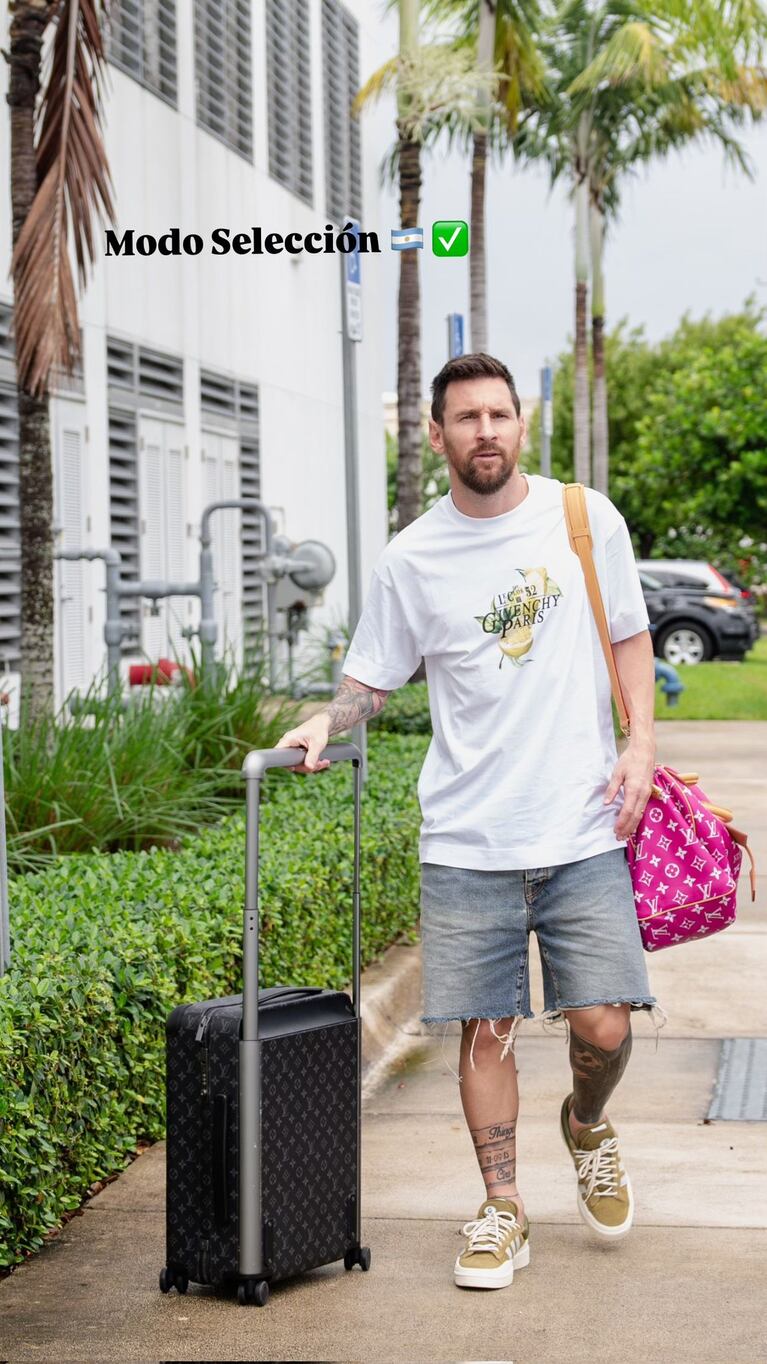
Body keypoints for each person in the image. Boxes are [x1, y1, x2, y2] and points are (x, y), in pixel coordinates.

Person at [276, 352, 661, 1291]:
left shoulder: (581, 518)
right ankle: (502, 1209)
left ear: (519, 425)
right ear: (438, 435)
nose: (484, 431)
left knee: (605, 1024)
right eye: (466, 417)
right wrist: (330, 717)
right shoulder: (413, 557)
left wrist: (640, 743)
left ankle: (585, 1124)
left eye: (499, 414)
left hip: (580, 825)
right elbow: (372, 676)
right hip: (467, 841)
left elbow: (629, 635)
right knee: (482, 1032)